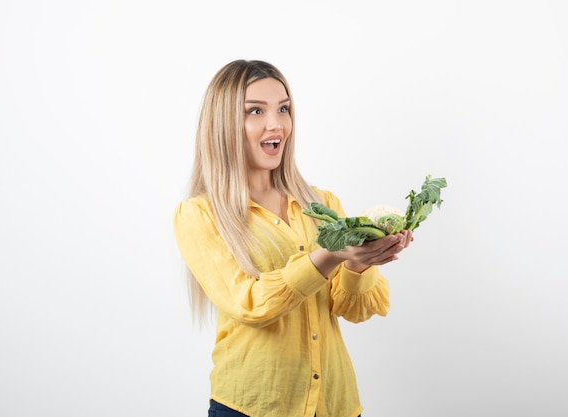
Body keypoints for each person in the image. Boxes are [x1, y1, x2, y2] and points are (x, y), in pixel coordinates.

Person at [173, 59, 413, 417]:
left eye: (283, 109)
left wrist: (358, 265)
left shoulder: (322, 205)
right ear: (223, 124)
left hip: (335, 404)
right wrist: (328, 257)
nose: (277, 124)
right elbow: (250, 304)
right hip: (251, 406)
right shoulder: (200, 215)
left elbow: (356, 309)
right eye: (255, 110)